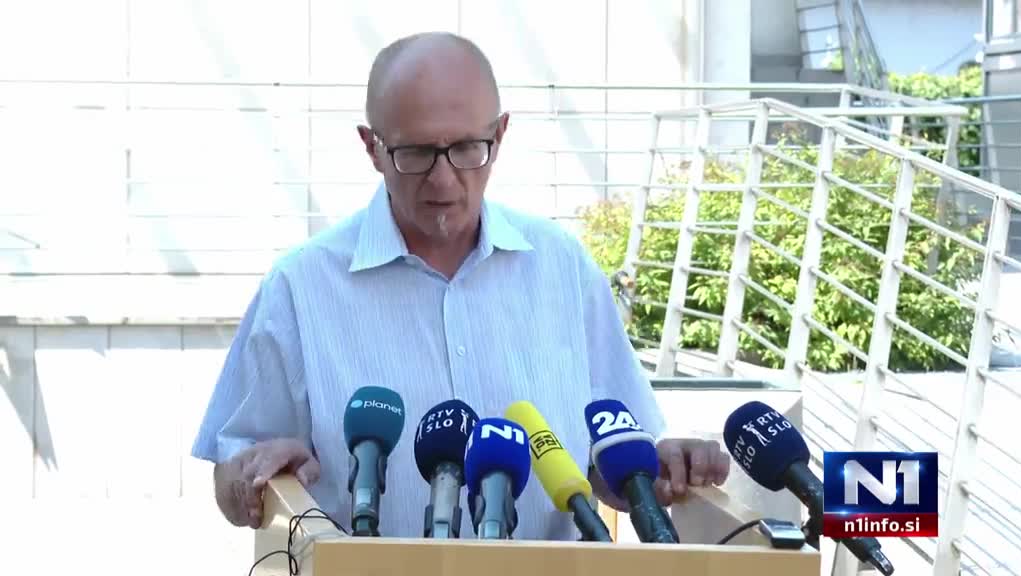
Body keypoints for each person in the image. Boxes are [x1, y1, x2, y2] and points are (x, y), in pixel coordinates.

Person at [191, 31, 731, 540]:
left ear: (500, 134)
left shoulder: (564, 268)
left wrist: (657, 470)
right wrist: (251, 476)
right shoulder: (300, 287)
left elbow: (609, 459)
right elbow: (231, 480)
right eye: (415, 153)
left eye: (469, 148)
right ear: (371, 147)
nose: (444, 179)